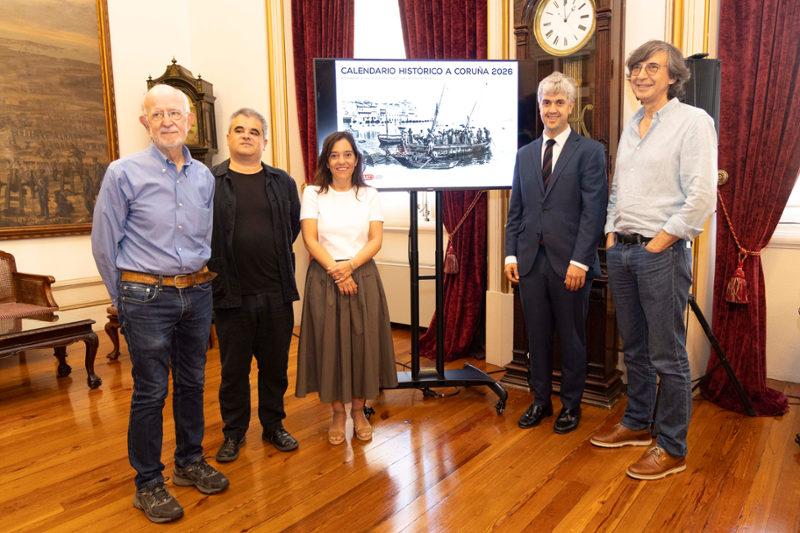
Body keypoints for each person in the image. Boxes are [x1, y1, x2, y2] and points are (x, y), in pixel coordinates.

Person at [91, 84, 228, 524]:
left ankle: (189, 461)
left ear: (190, 119)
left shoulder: (204, 177)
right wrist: (122, 298)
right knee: (151, 391)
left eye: (175, 113)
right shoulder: (122, 173)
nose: (167, 121)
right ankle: (148, 481)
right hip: (145, 296)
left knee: (192, 383)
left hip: (197, 291)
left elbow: (205, 235)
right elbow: (104, 242)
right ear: (144, 122)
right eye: (158, 114)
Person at [590, 40, 717, 480]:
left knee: (667, 354)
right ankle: (637, 423)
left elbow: (701, 197)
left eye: (652, 67)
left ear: (672, 76)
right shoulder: (632, 124)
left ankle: (672, 447)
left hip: (660, 253)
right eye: (636, 68)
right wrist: (611, 235)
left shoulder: (693, 122)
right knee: (635, 349)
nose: (641, 75)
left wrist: (659, 243)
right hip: (622, 251)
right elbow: (618, 189)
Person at [505, 71, 608, 435]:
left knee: (571, 337)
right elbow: (516, 210)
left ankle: (571, 405)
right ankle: (540, 400)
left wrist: (581, 261)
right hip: (530, 262)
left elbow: (594, 212)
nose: (552, 109)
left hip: (571, 265)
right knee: (536, 336)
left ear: (571, 106)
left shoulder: (590, 152)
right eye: (546, 102)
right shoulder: (524, 154)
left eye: (559, 102)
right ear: (539, 106)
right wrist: (510, 255)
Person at [208, 108, 301, 461]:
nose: (246, 135)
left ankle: (273, 425)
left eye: (254, 131)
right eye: (239, 129)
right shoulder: (210, 181)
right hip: (230, 293)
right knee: (233, 371)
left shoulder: (283, 182)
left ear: (265, 142)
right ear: (228, 138)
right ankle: (234, 433)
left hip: (277, 291)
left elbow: (293, 225)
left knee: (275, 367)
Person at [295, 131, 398, 445]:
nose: (341, 161)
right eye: (334, 155)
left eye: (347, 154)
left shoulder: (369, 194)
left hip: (361, 275)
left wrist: (349, 267)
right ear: (327, 161)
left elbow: (376, 240)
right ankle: (338, 414)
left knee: (362, 344)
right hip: (324, 277)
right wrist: (338, 272)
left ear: (356, 159)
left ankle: (358, 410)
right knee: (329, 345)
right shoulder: (313, 193)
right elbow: (310, 239)